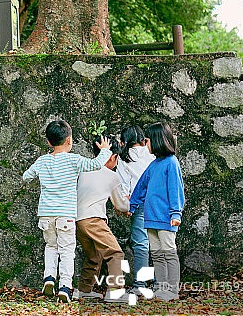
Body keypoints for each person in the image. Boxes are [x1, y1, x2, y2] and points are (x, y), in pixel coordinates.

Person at [22, 120, 111, 303]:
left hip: (46, 214)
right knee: (67, 250)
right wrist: (105, 151)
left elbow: (26, 176)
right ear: (69, 140)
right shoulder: (74, 160)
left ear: (48, 142)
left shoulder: (42, 161)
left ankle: (48, 278)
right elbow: (95, 165)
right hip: (66, 215)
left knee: (51, 247)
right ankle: (65, 287)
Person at [129, 122, 185, 301]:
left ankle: (173, 290)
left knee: (168, 252)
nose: (146, 144)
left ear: (158, 140)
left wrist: (176, 213)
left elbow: (176, 189)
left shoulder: (171, 163)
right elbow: (140, 186)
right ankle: (161, 288)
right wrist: (132, 205)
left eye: (148, 140)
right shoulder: (154, 165)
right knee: (157, 255)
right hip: (151, 219)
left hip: (166, 219)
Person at [75, 135, 131, 303]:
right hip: (94, 219)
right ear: (113, 156)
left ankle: (84, 290)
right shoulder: (111, 176)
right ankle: (115, 292)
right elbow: (121, 206)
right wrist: (127, 204)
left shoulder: (83, 170)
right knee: (115, 253)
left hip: (78, 220)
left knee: (94, 255)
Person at [117, 126, 155, 293]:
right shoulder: (151, 153)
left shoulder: (124, 158)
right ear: (142, 139)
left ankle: (140, 284)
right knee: (155, 240)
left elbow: (124, 184)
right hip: (157, 202)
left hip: (138, 202)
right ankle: (154, 279)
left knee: (140, 243)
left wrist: (127, 206)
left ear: (124, 141)